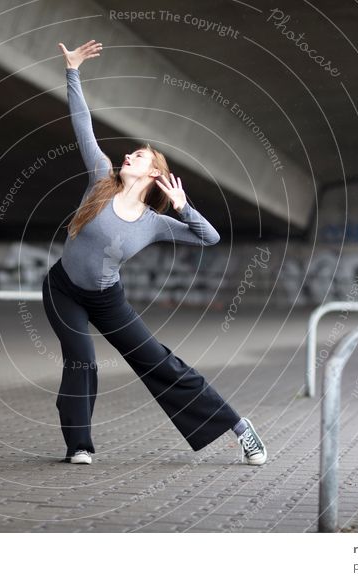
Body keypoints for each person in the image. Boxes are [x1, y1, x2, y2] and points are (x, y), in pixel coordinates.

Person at [42, 40, 267, 466]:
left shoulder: (155, 223)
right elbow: (83, 124)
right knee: (82, 360)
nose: (129, 155)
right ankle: (79, 446)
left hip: (107, 299)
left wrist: (185, 208)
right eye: (131, 153)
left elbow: (210, 238)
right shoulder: (99, 178)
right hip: (63, 289)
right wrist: (72, 72)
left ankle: (239, 427)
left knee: (158, 362)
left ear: (153, 173)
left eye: (139, 155)